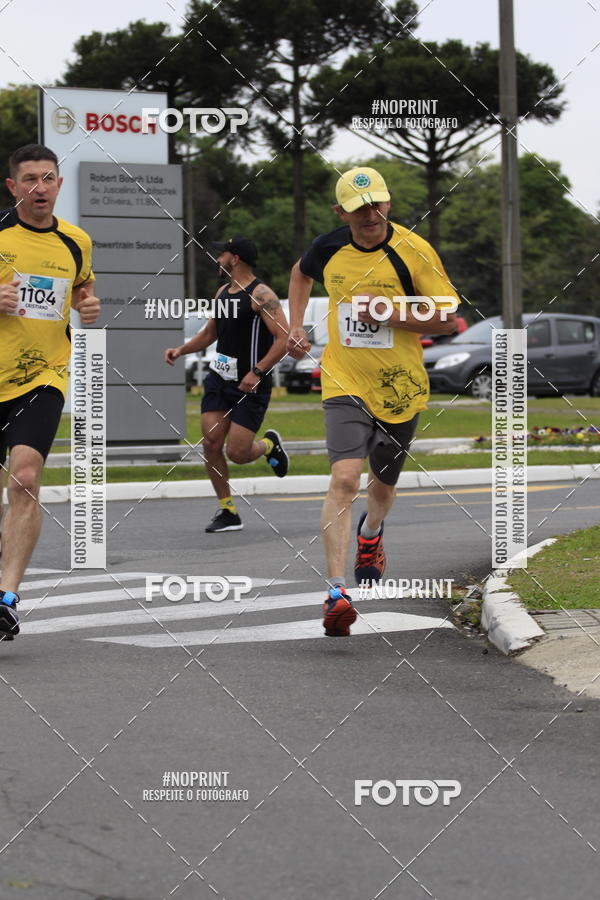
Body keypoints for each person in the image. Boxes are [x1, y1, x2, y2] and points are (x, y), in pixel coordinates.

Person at [287, 166, 459, 637]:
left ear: (387, 204)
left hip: (400, 388)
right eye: (359, 208)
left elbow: (447, 318)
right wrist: (296, 324)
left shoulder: (413, 251)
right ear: (340, 212)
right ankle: (337, 592)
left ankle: (371, 533)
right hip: (343, 381)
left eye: (377, 204)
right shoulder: (328, 248)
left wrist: (390, 312)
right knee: (344, 478)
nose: (370, 215)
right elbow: (300, 274)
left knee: (381, 487)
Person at [0, 144, 100, 640]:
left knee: (23, 479)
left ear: (60, 184)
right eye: (30, 180)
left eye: (49, 178)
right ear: (12, 187)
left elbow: (82, 288)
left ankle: (7, 598)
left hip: (43, 378)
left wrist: (87, 305)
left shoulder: (77, 241)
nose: (40, 188)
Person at [164, 236, 289, 532]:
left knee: (238, 453)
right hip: (220, 380)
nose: (217, 260)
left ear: (235, 259)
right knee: (210, 442)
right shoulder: (222, 292)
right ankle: (228, 511)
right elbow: (210, 333)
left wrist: (257, 371)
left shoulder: (261, 294)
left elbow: (284, 339)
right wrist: (181, 350)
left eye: (222, 255)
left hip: (250, 385)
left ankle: (269, 445)